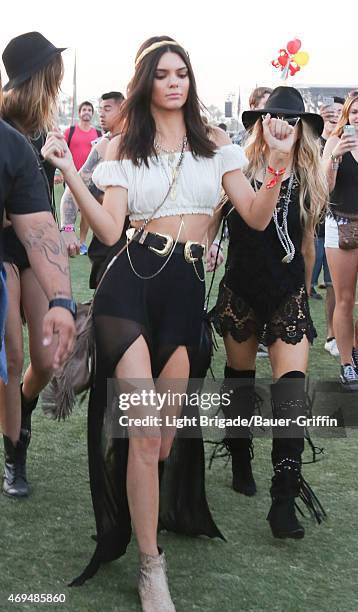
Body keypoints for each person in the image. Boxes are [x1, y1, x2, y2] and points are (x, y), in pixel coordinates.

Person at [42, 35, 295, 611]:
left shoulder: (219, 146)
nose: (174, 82)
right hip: (129, 287)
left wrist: (277, 163)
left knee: (155, 447)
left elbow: (255, 217)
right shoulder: (122, 149)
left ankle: (142, 501)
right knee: (148, 433)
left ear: (191, 80)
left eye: (182, 72)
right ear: (146, 83)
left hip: (183, 295)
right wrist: (69, 173)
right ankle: (151, 568)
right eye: (162, 74)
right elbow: (109, 232)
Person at [212, 86, 327, 539]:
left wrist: (306, 286)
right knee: (239, 380)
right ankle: (240, 456)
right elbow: (217, 218)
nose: (282, 125)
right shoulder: (238, 167)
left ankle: (284, 498)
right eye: (274, 117)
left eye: (291, 119)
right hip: (242, 286)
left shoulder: (312, 175)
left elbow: (306, 242)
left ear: (302, 128)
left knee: (290, 393)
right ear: (260, 123)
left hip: (285, 291)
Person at [0, 31, 75, 497]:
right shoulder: (5, 127)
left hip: (34, 248)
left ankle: (22, 408)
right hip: (4, 249)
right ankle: (14, 453)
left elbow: (40, 199)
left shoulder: (43, 131)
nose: (59, 85)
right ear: (38, 77)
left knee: (46, 359)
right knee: (13, 353)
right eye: (54, 75)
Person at [60, 91, 125, 287]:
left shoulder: (145, 140)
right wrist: (68, 227)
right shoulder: (104, 145)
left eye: (107, 109)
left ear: (123, 109)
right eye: (100, 109)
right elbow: (75, 186)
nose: (101, 114)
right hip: (108, 239)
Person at [323, 93, 358, 388]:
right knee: (345, 299)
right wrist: (336, 156)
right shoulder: (335, 143)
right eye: (354, 111)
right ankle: (347, 363)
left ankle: (354, 351)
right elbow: (325, 188)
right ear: (347, 114)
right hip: (342, 225)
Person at [311, 97, 344, 358]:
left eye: (337, 112)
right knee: (305, 281)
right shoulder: (315, 143)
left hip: (337, 225)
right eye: (329, 113)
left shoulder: (347, 144)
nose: (333, 116)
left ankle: (333, 334)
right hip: (316, 225)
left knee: (334, 285)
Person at [64, 101, 102, 254]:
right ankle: (68, 236)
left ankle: (82, 242)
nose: (86, 112)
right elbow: (61, 152)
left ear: (92, 114)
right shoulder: (70, 132)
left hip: (92, 180)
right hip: (72, 178)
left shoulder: (99, 134)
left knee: (86, 211)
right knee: (70, 208)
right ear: (79, 113)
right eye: (84, 109)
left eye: (89, 110)